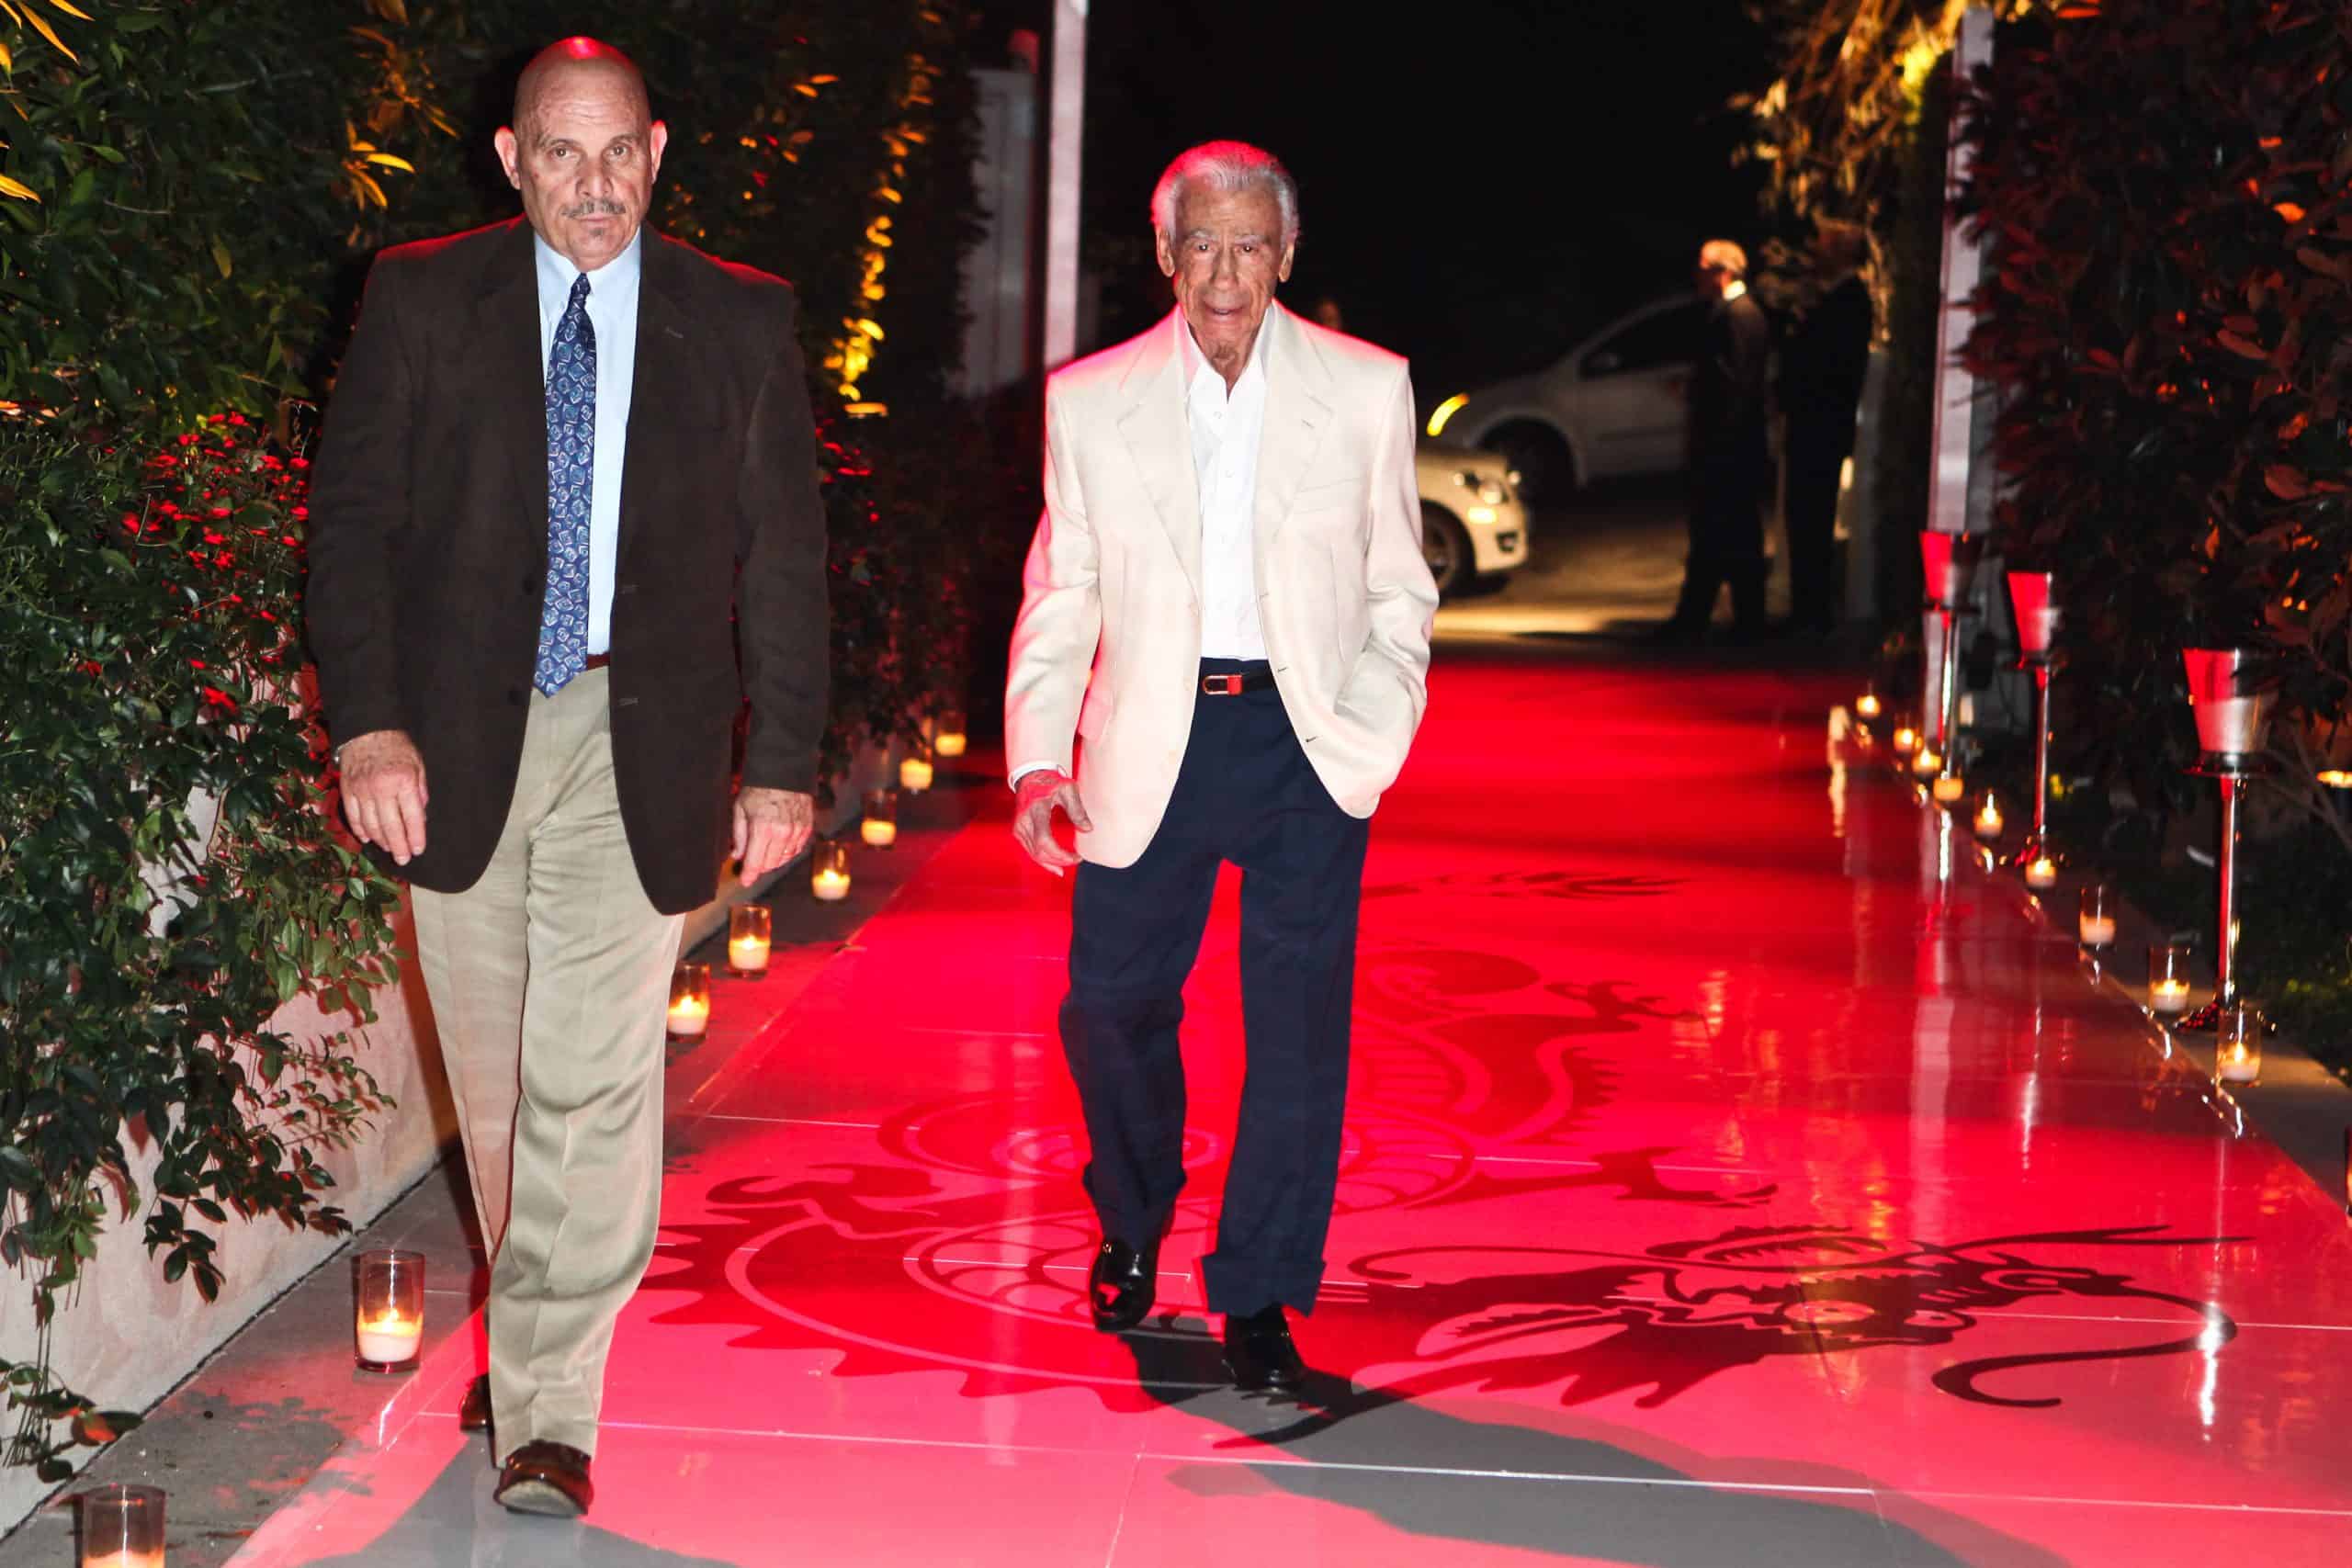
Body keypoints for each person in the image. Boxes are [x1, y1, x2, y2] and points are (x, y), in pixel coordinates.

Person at [305, 38, 828, 1517]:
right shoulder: (422, 298)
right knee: (498, 1079)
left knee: (593, 1082)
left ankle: (547, 1408)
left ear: (656, 153)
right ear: (511, 159)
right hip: (459, 735)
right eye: (561, 155)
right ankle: (536, 1330)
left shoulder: (739, 321)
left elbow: (782, 557)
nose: (594, 188)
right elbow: (350, 527)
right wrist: (369, 727)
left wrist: (781, 759)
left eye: (619, 157)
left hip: (635, 733)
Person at [1003, 141, 1439, 1392]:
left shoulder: (1366, 389)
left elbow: (1400, 588)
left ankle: (1257, 1289)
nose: (1227, 271)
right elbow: (1063, 589)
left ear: (1287, 255)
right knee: (1110, 1006)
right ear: (1166, 255)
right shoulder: (1092, 399)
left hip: (1305, 741)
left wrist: (1371, 725)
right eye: (1203, 243)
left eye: (1252, 244)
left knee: (1297, 1032)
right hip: (1154, 732)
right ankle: (1133, 1208)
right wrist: (1040, 759)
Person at [1659, 238, 1772, 641]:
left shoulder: (1738, 317)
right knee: (1732, 536)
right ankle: (1734, 620)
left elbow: (1736, 387)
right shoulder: (1736, 315)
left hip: (1727, 452)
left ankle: (1703, 620)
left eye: (1705, 268)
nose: (1697, 275)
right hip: (1731, 450)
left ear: (1723, 272)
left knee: (1719, 533)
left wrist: (1717, 444)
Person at [1781, 220, 1874, 637]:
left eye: (1822, 241)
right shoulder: (1834, 298)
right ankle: (1806, 609)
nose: (1814, 249)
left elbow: (1828, 365)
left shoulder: (1849, 300)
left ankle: (1812, 614)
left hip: (1821, 425)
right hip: (1815, 424)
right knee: (1803, 517)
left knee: (1812, 518)